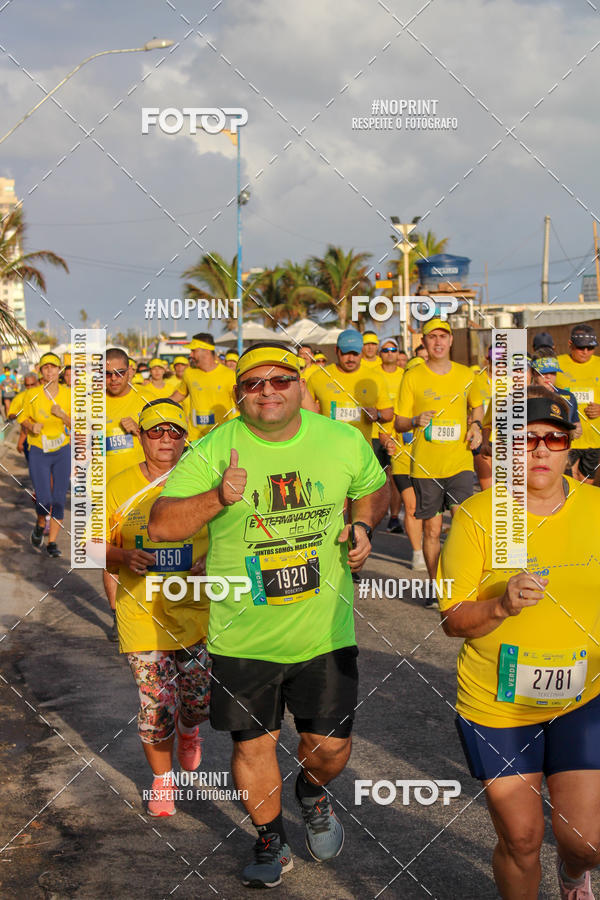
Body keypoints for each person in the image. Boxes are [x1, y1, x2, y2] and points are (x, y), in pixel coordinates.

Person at [148, 341, 389, 889]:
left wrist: (363, 525)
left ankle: (312, 790)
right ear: (239, 395)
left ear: (300, 385)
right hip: (243, 635)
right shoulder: (214, 448)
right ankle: (270, 839)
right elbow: (161, 525)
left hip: (324, 630)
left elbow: (375, 490)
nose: (268, 392)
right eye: (254, 383)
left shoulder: (341, 439)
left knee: (329, 749)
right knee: (252, 746)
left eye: (281, 380)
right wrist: (218, 497)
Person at [439, 385, 600, 900]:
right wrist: (501, 606)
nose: (541, 450)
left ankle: (573, 873)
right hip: (498, 705)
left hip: (583, 699)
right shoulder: (474, 516)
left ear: (570, 445)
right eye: (526, 439)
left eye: (554, 438)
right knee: (523, 838)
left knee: (586, 843)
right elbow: (453, 619)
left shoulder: (597, 509)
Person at [105, 398, 211, 817]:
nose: (166, 438)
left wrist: (211, 560)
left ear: (186, 438)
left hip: (195, 609)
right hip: (141, 612)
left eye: (175, 431)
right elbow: (87, 547)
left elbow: (233, 535)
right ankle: (162, 780)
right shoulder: (116, 485)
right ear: (141, 437)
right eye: (155, 430)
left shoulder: (203, 481)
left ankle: (189, 728)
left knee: (198, 699)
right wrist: (122, 557)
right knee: (155, 704)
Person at [395, 319, 483, 602]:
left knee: (463, 523)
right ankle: (438, 590)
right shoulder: (413, 376)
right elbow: (398, 422)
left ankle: (467, 582)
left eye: (443, 336)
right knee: (432, 530)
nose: (438, 342)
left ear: (451, 340)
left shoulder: (466, 374)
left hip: (459, 462)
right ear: (424, 342)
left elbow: (477, 406)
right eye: (432, 337)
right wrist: (415, 420)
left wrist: (476, 426)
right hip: (426, 466)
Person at [104, 348, 149, 639]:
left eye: (119, 372)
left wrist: (139, 431)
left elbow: (170, 441)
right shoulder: (92, 404)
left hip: (145, 490)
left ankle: (151, 609)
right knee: (112, 556)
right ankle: (117, 615)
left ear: (130, 371)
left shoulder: (146, 400)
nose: (113, 378)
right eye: (107, 374)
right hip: (108, 492)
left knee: (150, 550)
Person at [19, 352, 71, 557]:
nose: (50, 371)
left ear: (59, 370)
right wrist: (31, 426)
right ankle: (40, 524)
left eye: (53, 367)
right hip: (39, 451)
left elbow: (80, 425)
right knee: (43, 498)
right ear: (40, 371)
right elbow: (22, 417)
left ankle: (52, 543)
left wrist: (63, 415)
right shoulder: (32, 394)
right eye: (45, 367)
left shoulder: (69, 394)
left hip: (62, 451)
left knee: (58, 498)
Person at [307, 329, 392, 444]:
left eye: (355, 353)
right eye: (346, 353)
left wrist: (378, 415)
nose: (351, 359)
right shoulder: (318, 377)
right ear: (336, 350)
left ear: (362, 352)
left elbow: (389, 412)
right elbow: (302, 412)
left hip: (361, 450)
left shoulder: (375, 378)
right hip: (328, 448)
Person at [381, 357, 426, 570]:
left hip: (430, 464)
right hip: (403, 462)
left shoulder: (435, 404)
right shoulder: (399, 405)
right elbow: (384, 432)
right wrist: (388, 442)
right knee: (412, 507)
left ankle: (430, 544)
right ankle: (418, 553)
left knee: (430, 512)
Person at [170, 332, 237, 441]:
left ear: (206, 351)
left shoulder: (229, 375)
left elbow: (240, 404)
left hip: (221, 438)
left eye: (193, 351)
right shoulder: (189, 373)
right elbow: (180, 394)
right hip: (195, 439)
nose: (191, 355)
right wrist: (161, 403)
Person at [556, 323, 600, 484]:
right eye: (581, 347)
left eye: (590, 347)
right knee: (568, 482)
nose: (585, 352)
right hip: (567, 437)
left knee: (586, 484)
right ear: (570, 344)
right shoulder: (557, 364)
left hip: (594, 439)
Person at [372, 338, 404, 533]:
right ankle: (372, 515)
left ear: (398, 353)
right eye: (385, 350)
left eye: (393, 349)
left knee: (395, 478)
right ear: (380, 354)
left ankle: (394, 517)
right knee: (376, 478)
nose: (390, 353)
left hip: (398, 434)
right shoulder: (373, 375)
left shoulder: (405, 376)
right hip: (375, 433)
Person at [531, 352, 581, 439]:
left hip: (560, 445)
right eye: (543, 372)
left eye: (552, 372)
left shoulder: (568, 396)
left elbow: (576, 425)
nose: (548, 376)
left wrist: (576, 430)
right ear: (533, 372)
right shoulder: (524, 396)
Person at [9, 372, 39, 460]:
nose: (29, 387)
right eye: (27, 385)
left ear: (37, 383)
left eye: (32, 384)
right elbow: (11, 414)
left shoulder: (45, 395)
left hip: (46, 437)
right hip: (28, 438)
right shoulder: (19, 397)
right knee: (32, 465)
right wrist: (16, 415)